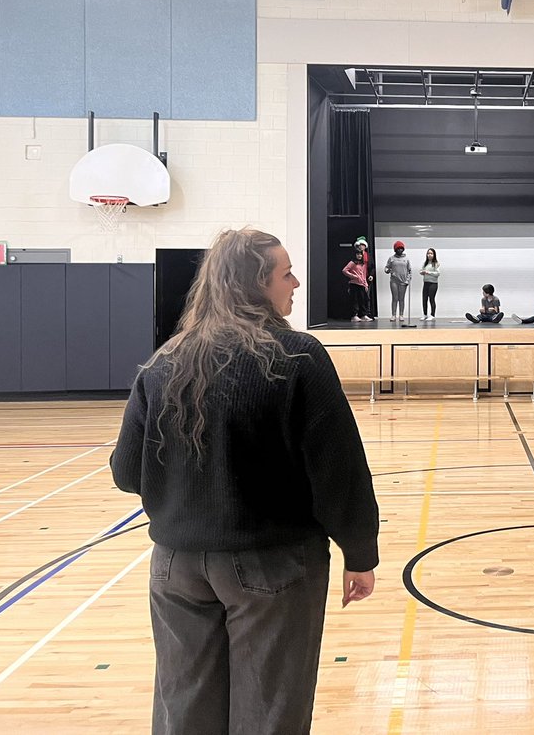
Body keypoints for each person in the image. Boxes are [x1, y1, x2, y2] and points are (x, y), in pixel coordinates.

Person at [110, 228, 379, 735]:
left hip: (175, 566)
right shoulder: (297, 356)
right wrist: (360, 552)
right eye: (286, 274)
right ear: (255, 284)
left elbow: (126, 473)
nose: (295, 283)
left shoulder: (164, 361)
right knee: (269, 711)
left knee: (184, 708)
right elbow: (339, 471)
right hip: (272, 563)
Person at [342, 245, 373, 321]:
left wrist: (366, 284)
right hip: (354, 284)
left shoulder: (363, 264)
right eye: (358, 254)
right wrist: (353, 276)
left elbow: (364, 274)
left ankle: (363, 315)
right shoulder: (352, 263)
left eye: (360, 254)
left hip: (362, 284)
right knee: (355, 300)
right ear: (355, 255)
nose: (359, 256)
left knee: (363, 300)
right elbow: (344, 270)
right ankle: (354, 315)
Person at [385, 240, 411, 321]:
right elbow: (386, 267)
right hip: (394, 280)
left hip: (403, 281)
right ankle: (393, 315)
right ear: (395, 249)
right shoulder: (391, 258)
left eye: (401, 248)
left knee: (401, 299)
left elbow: (409, 271)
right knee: (395, 298)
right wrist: (387, 270)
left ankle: (401, 315)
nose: (400, 250)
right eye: (398, 248)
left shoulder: (406, 259)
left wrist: (408, 280)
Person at [420, 248, 440, 320]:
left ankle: (432, 315)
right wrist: (422, 272)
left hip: (433, 283)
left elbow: (438, 273)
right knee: (424, 299)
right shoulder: (425, 263)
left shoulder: (436, 263)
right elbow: (421, 270)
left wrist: (428, 272)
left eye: (431, 253)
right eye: (428, 253)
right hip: (426, 283)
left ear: (434, 255)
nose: (429, 255)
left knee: (431, 299)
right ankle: (425, 314)